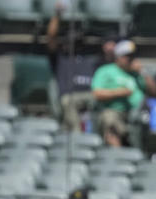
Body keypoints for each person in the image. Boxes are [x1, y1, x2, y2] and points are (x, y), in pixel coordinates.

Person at [46, 2, 114, 131]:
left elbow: (113, 58)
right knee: (68, 102)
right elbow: (51, 37)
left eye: (76, 40)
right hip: (69, 99)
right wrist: (57, 15)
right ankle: (79, 139)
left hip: (91, 98)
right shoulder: (60, 59)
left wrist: (110, 47)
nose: (72, 42)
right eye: (68, 40)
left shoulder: (92, 58)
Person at [91, 40, 146, 147]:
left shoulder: (136, 74)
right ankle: (118, 157)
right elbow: (97, 94)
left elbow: (154, 92)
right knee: (109, 118)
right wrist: (119, 93)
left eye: (133, 57)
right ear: (118, 57)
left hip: (137, 113)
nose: (130, 60)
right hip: (114, 111)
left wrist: (142, 72)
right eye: (127, 57)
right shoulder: (105, 71)